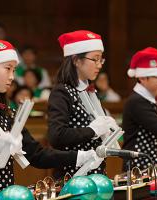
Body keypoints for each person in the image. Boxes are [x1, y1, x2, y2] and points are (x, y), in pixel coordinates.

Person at [0, 36, 98, 196]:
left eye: (13, 70)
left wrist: (79, 156)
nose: (12, 76)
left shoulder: (6, 113)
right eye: (8, 68)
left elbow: (37, 154)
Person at [48, 30, 117, 178]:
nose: (99, 65)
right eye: (95, 59)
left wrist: (109, 130)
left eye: (101, 60)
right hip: (72, 175)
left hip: (96, 173)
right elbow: (56, 136)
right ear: (76, 60)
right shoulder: (62, 92)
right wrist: (92, 130)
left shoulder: (90, 91)